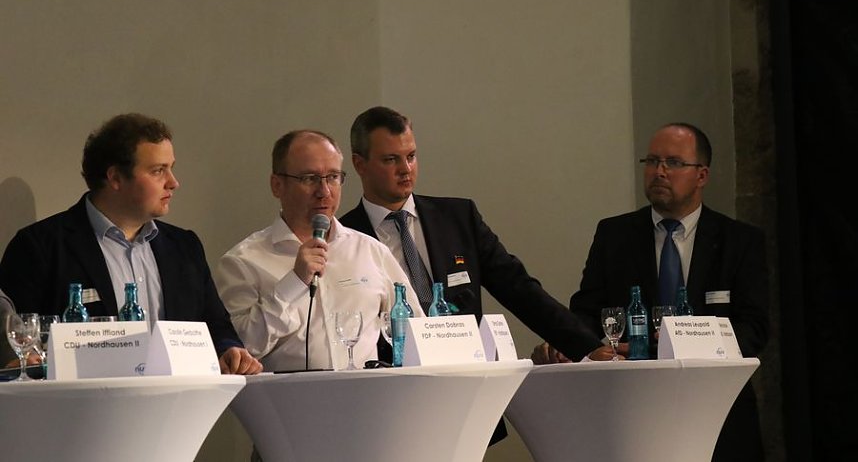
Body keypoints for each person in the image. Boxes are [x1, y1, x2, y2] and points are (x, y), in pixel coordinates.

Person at [339, 106, 607, 442]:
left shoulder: (457, 217)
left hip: (463, 396)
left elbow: (519, 288)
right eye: (391, 160)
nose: (406, 169)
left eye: (411, 156)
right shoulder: (344, 237)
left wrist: (587, 345)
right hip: (386, 403)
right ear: (360, 163)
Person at [533, 122, 768, 461]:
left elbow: (755, 328)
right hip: (631, 407)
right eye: (652, 161)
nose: (659, 172)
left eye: (673, 163)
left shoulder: (739, 241)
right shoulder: (614, 234)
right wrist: (567, 342)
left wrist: (686, 344)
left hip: (716, 407)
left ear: (701, 175)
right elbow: (587, 310)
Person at [0, 113, 261, 375]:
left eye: (171, 168)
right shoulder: (40, 246)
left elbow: (217, 327)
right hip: (83, 409)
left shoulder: (185, 248)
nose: (174, 182)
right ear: (115, 178)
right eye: (158, 170)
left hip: (179, 407)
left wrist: (230, 350)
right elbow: (19, 346)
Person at [214, 130, 422, 373]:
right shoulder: (243, 262)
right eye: (309, 178)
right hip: (286, 406)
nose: (324, 191)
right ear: (277, 185)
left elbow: (417, 333)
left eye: (333, 177)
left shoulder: (370, 251)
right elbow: (238, 352)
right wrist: (294, 282)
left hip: (367, 400)